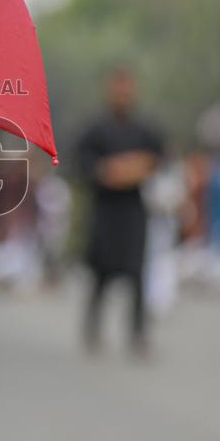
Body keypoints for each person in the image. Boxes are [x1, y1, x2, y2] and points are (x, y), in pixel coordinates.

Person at [76, 64, 163, 356]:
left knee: (137, 274)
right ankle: (93, 328)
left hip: (133, 210)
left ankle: (138, 333)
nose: (123, 95)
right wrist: (106, 171)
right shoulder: (96, 129)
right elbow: (82, 162)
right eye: (118, 89)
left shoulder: (145, 129)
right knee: (100, 273)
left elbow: (158, 158)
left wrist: (135, 168)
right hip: (105, 210)